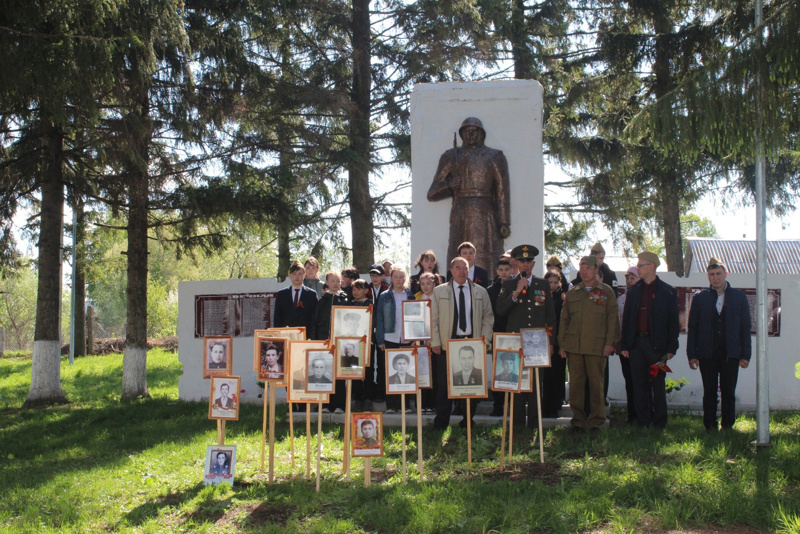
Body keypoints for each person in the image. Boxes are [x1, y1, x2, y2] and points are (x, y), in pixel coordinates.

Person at [427, 117, 511, 277]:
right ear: (461, 134)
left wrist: (504, 221)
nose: (471, 134)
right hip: (461, 213)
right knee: (458, 256)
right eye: (467, 131)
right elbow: (432, 193)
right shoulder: (451, 156)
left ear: (482, 133)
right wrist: (449, 184)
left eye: (474, 131)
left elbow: (502, 191)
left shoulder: (494, 156)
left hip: (485, 214)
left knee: (486, 257)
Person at [687, 257, 752, 431]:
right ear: (708, 276)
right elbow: (692, 327)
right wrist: (692, 354)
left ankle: (728, 424)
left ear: (725, 274)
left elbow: (745, 327)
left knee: (728, 391)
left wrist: (745, 354)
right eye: (712, 274)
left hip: (730, 352)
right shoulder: (700, 298)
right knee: (709, 391)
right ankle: (710, 425)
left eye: (718, 274)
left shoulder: (739, 297)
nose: (715, 277)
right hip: (707, 352)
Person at [430, 256, 494, 429]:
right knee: (444, 387)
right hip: (446, 344)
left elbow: (488, 317)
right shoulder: (439, 291)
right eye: (458, 267)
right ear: (451, 271)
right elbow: (432, 319)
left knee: (470, 385)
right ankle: (441, 423)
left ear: (469, 269)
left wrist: (485, 339)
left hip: (472, 344)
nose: (462, 271)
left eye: (465, 267)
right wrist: (434, 340)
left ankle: (467, 420)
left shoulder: (480, 291)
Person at [496, 244, 556, 428]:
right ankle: (517, 423)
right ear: (516, 264)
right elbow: (500, 310)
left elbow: (550, 315)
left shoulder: (543, 284)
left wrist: (551, 341)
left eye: (528, 261)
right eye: (522, 261)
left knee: (536, 383)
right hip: (515, 341)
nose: (525, 264)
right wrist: (515, 293)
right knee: (516, 381)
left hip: (537, 341)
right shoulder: (508, 285)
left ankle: (534, 422)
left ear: (533, 263)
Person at [558, 256, 619, 434]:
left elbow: (613, 320)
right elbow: (564, 320)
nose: (584, 271)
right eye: (581, 268)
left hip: (596, 347)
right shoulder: (573, 293)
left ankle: (596, 422)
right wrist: (562, 345)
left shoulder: (606, 292)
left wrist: (610, 343)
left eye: (587, 268)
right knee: (576, 385)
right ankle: (578, 421)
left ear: (595, 270)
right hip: (575, 347)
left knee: (596, 385)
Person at [619, 251, 680, 430]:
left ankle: (659, 423)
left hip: (657, 346)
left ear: (651, 267)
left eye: (641, 265)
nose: (638, 268)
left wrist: (671, 348)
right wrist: (625, 344)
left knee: (658, 385)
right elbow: (628, 319)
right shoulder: (634, 291)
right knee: (639, 385)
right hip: (637, 344)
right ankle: (643, 422)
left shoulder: (667, 291)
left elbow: (672, 322)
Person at [376, 268, 415, 413]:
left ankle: (405, 406)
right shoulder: (385, 296)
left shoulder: (410, 296)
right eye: (396, 277)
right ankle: (391, 406)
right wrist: (380, 340)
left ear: (406, 279)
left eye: (401, 277)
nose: (399, 280)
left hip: (406, 338)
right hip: (389, 337)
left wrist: (414, 338)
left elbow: (415, 318)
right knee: (391, 372)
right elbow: (379, 318)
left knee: (406, 370)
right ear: (391, 279)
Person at [616, 266, 640, 423]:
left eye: (633, 278)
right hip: (625, 346)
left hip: (640, 346)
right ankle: (632, 414)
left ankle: (643, 413)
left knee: (641, 381)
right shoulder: (620, 300)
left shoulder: (643, 297)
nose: (630, 281)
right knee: (630, 380)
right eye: (628, 278)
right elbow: (618, 323)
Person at [542, 271, 566, 418]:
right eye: (550, 282)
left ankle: (556, 405)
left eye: (556, 282)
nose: (553, 285)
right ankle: (545, 406)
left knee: (557, 374)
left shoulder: (563, 299)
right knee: (546, 376)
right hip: (542, 341)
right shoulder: (540, 297)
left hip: (558, 341)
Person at [273, 261, 319, 328]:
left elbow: (315, 319)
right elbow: (277, 318)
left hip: (305, 335)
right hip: (286, 334)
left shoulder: (311, 295)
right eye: (294, 274)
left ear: (304, 275)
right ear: (290, 275)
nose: (297, 277)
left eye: (300, 274)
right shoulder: (282, 295)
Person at [311, 271, 349, 340]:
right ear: (327, 282)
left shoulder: (345, 300)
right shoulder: (321, 301)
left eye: (338, 281)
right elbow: (315, 322)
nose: (335, 283)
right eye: (332, 281)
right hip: (323, 338)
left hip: (341, 338)